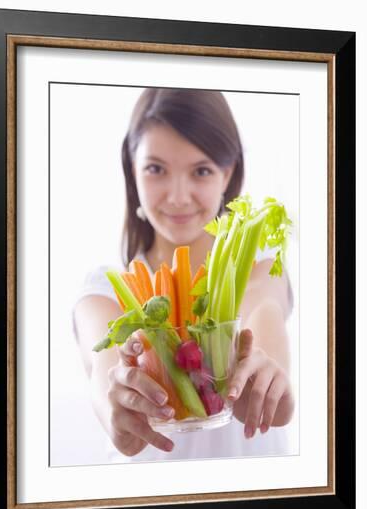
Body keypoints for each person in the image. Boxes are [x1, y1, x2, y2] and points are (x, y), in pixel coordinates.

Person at [72, 88, 295, 463]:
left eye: (201, 170)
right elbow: (106, 366)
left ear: (228, 174)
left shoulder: (258, 270)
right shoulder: (104, 289)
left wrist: (271, 387)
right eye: (156, 168)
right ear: (132, 170)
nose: (178, 196)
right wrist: (117, 408)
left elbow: (264, 317)